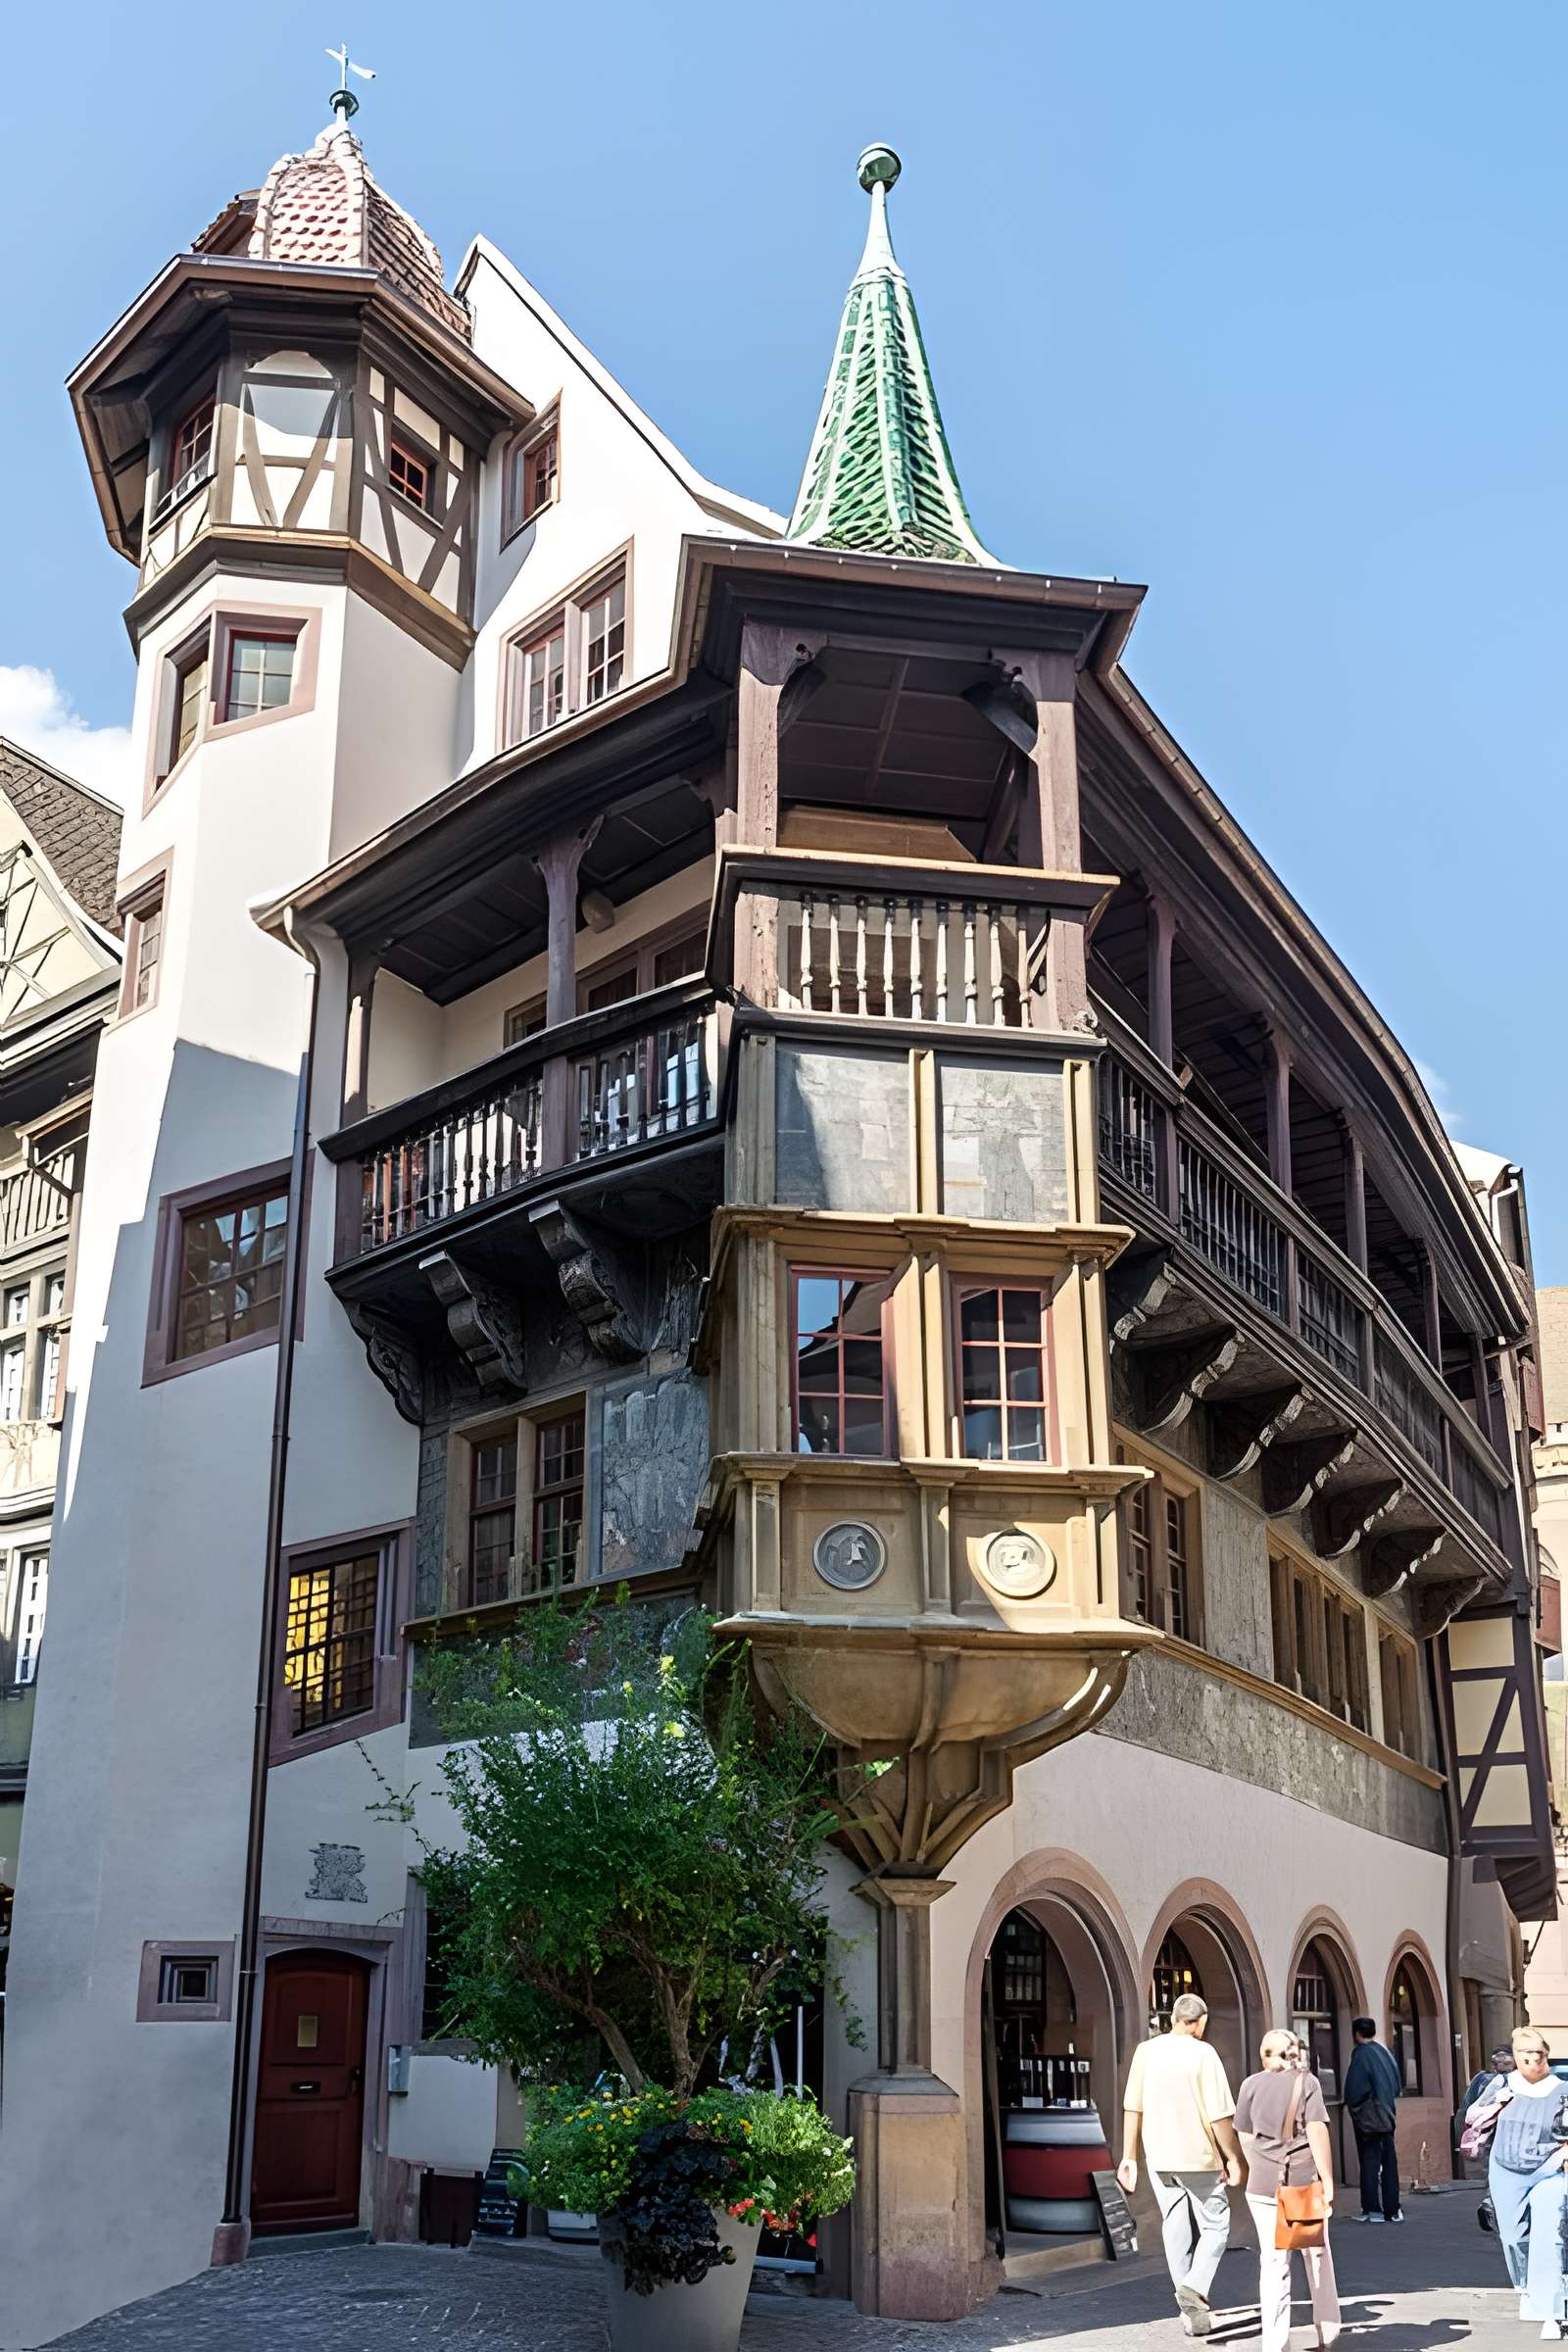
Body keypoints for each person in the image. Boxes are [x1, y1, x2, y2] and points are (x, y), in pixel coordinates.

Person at [1117, 1991, 1243, 2339]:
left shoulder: (1146, 2051)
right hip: (1199, 2156)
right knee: (1216, 2226)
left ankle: (1191, 2309)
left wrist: (1129, 2156)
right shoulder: (1204, 2053)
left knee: (1174, 2224)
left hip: (1158, 2155)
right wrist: (1232, 2156)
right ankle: (1194, 2287)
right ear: (1200, 2022)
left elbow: (1133, 2107)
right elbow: (1220, 2115)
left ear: (1174, 2018)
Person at [1235, 2030, 1341, 2352]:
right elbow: (1317, 2130)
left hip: (1262, 2186)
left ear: (1265, 2055)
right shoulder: (1307, 2082)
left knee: (1273, 2261)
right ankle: (1327, 2331)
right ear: (1293, 2054)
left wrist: (1260, 2165)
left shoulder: (1249, 2085)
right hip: (1301, 2183)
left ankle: (1276, 2343)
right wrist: (1328, 2180)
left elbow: (1244, 2134)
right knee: (1316, 2254)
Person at [1470, 2025, 1568, 2341]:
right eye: (1526, 2055)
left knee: (1548, 2232)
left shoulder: (1560, 2090)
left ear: (1546, 2056)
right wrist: (1497, 2102)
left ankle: (1552, 2312)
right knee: (1513, 2236)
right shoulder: (1502, 2085)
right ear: (1515, 2057)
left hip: (1548, 2169)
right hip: (1506, 2170)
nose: (1532, 2061)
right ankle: (1527, 2286)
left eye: (1538, 2054)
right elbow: (1472, 2115)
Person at [1342, 2014, 1402, 2224]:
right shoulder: (1384, 2052)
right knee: (1389, 2162)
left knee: (1369, 2161)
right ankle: (1393, 2209)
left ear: (1356, 2034)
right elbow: (1397, 2083)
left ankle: (1372, 2209)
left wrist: (1353, 2106)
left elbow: (1354, 2089)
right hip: (1388, 2114)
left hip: (1369, 2118)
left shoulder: (1361, 2054)